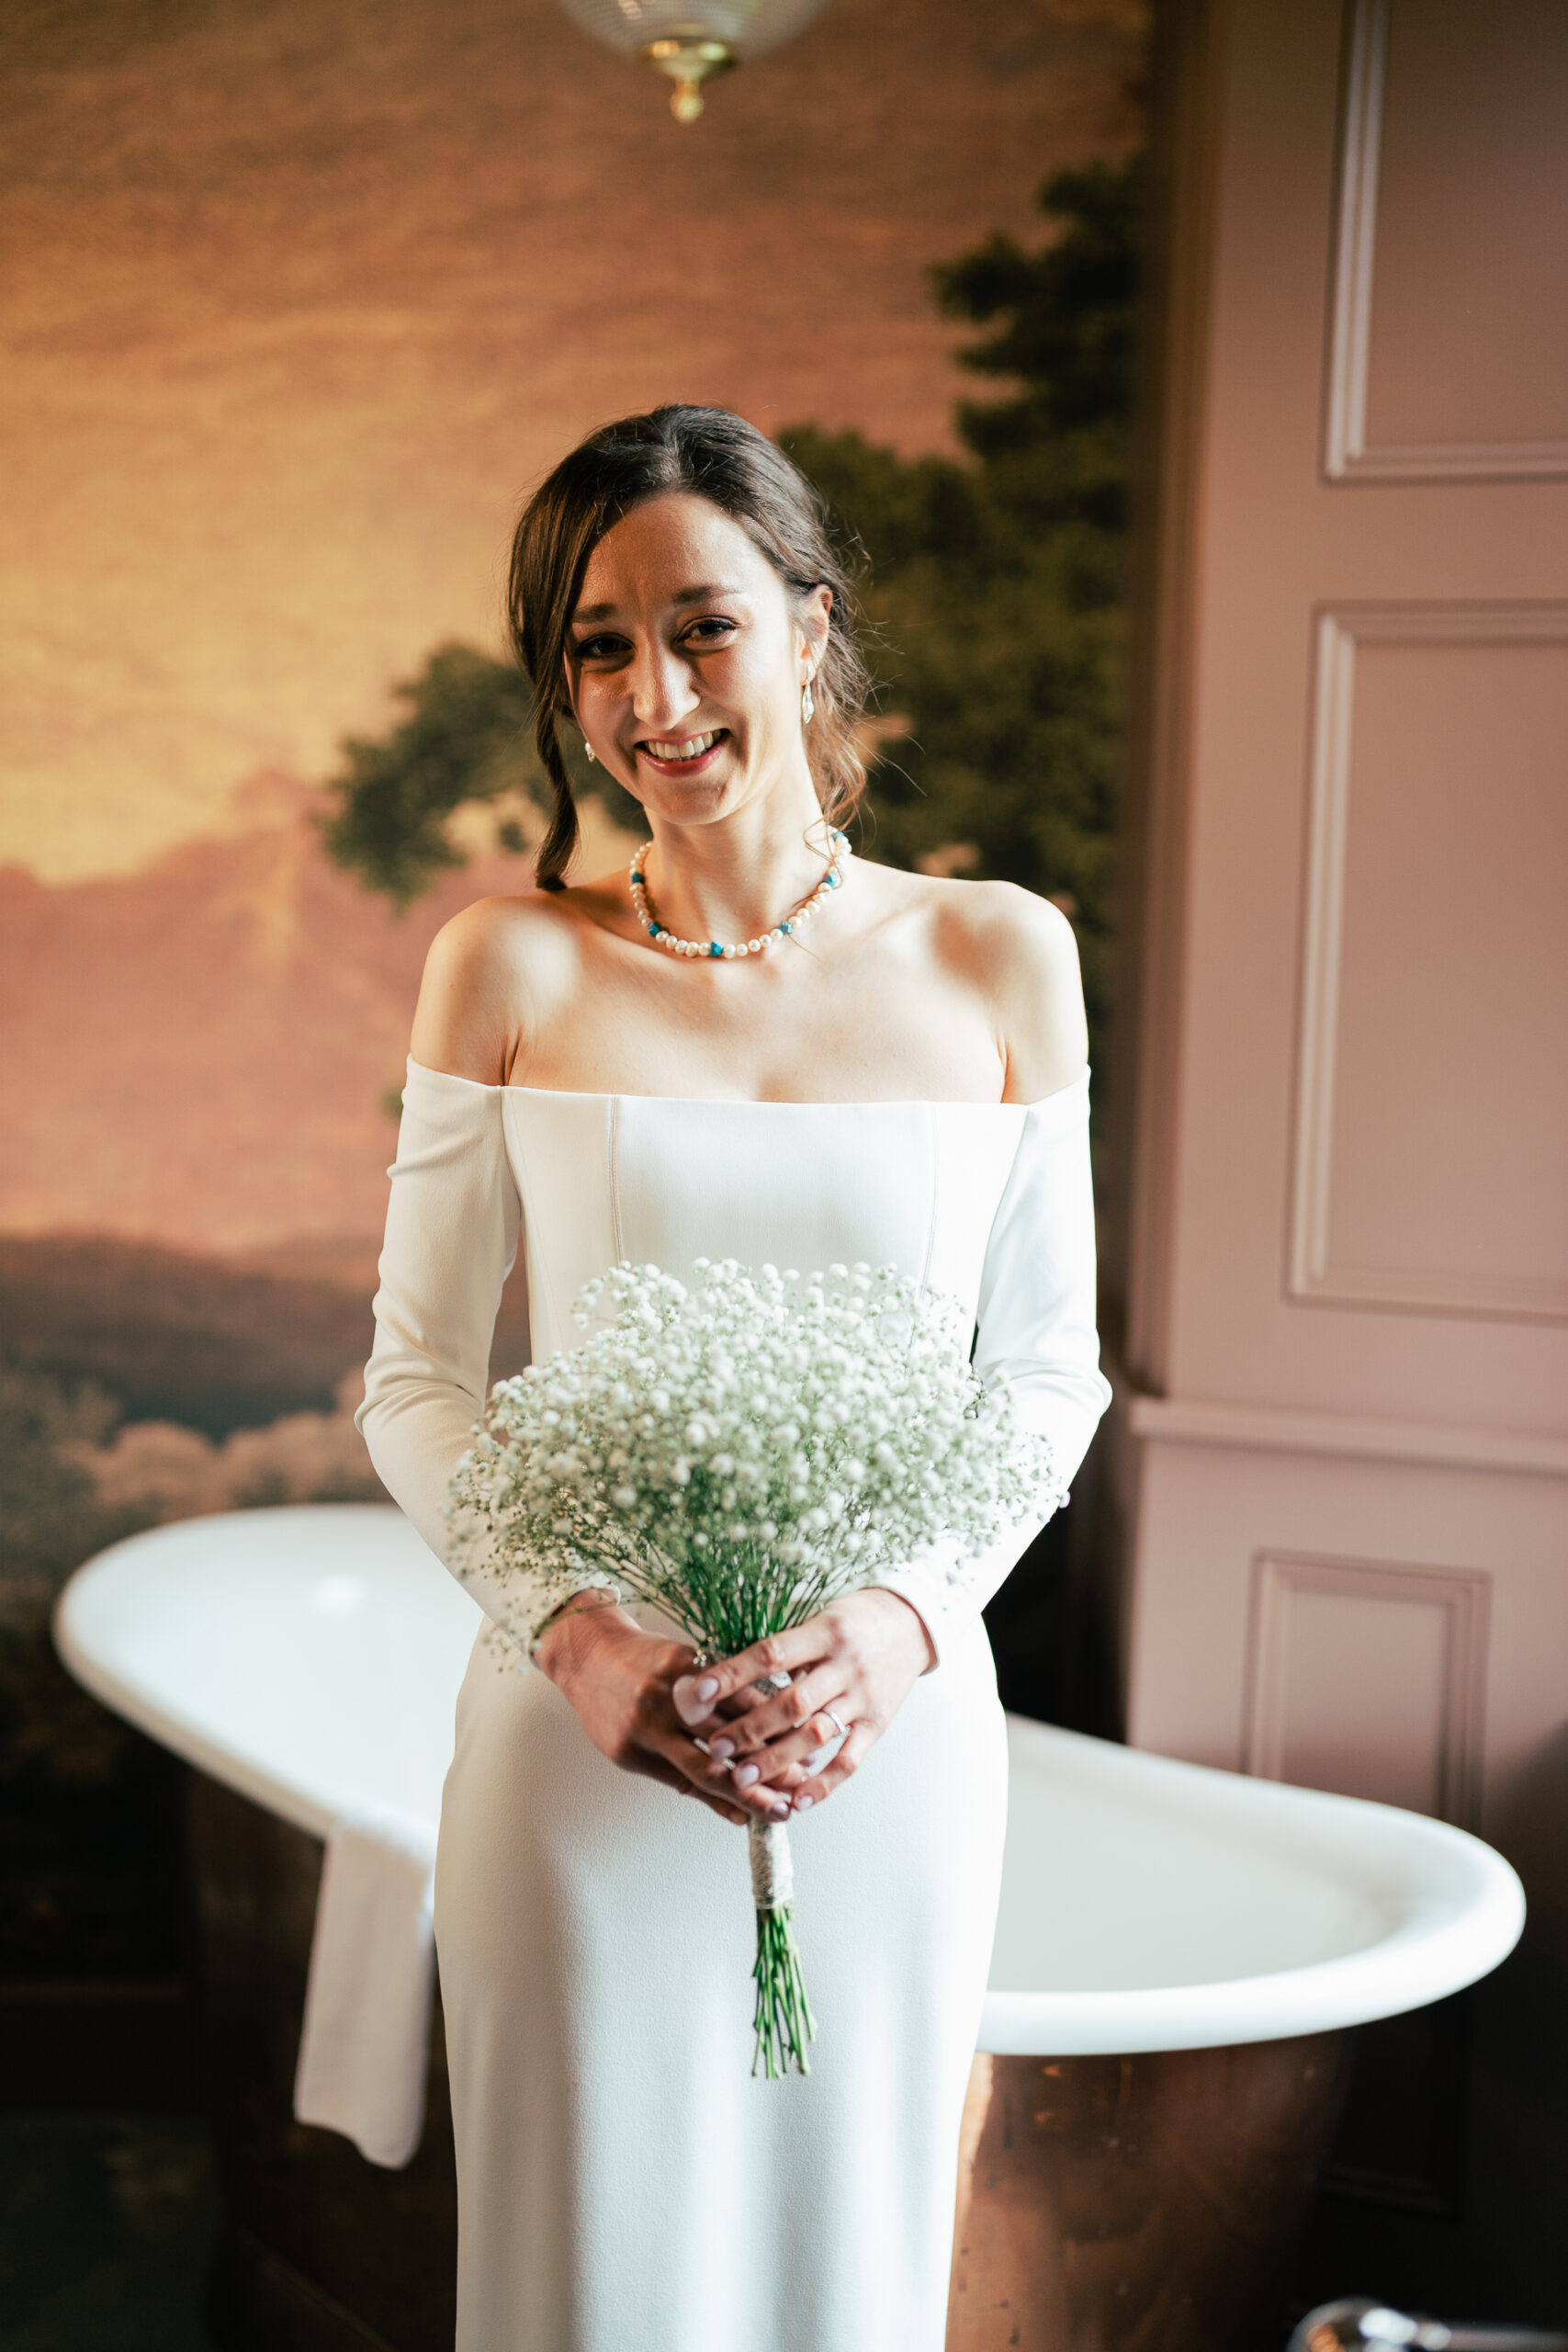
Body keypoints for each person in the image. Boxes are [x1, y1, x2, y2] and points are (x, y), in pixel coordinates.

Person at [355, 402, 1111, 2352]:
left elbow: (1044, 1374)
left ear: (805, 623)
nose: (649, 692)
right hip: (579, 1741)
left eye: (697, 624)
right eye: (593, 645)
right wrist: (580, 1639)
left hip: (889, 1737)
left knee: (840, 2278)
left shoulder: (995, 956)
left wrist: (892, 1622)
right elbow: (417, 1380)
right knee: (583, 2274)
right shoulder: (506, 964)